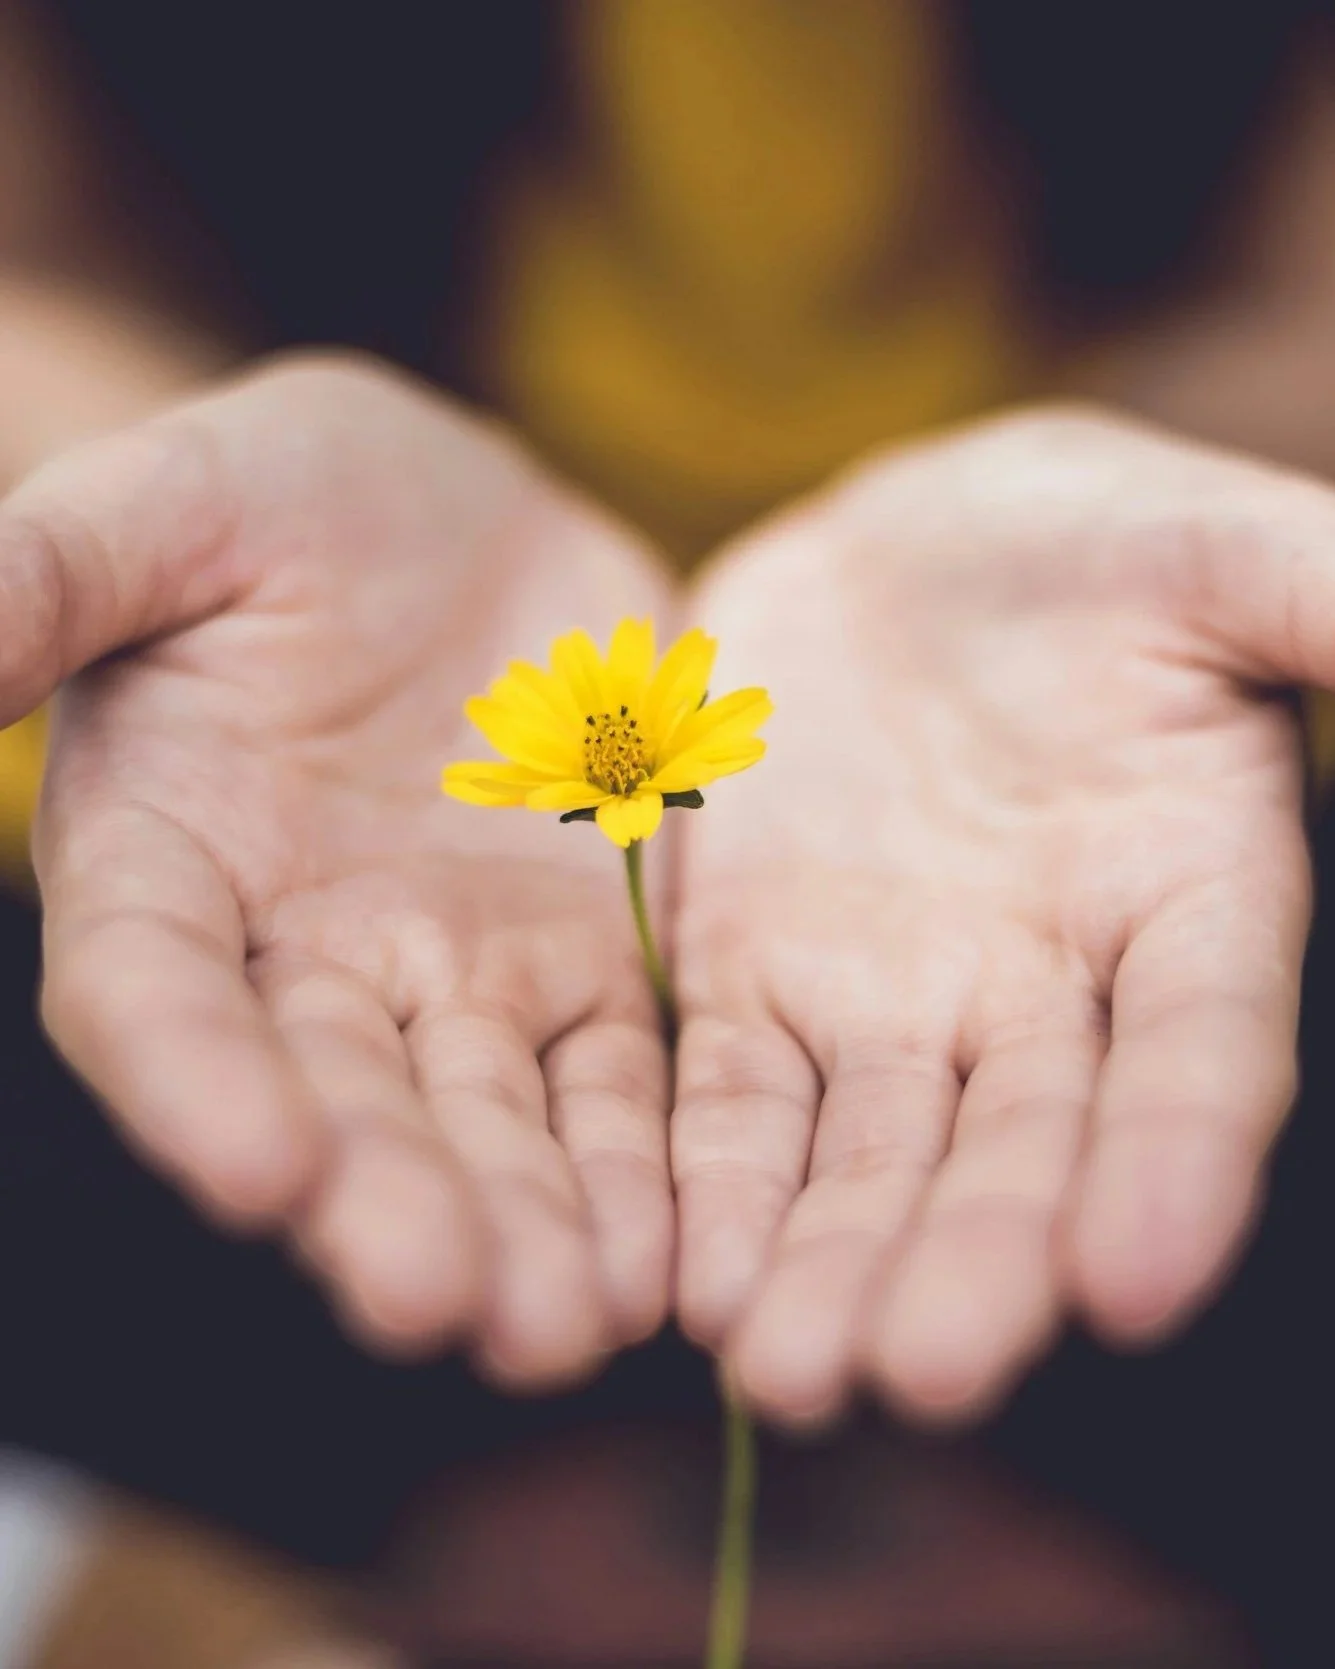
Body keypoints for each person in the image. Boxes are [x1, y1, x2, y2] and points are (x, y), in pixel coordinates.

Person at [1, 0, 1332, 1577]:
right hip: (308, 751)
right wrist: (155, 465)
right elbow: (34, 266)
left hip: (1070, 765)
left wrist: (1128, 490)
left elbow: (1299, 311)